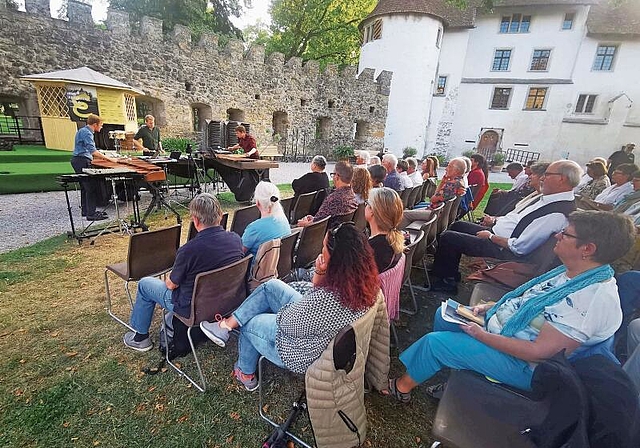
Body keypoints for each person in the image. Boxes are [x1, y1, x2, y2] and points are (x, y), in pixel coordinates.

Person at [387, 211, 635, 401]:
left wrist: (483, 336)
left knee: (435, 342)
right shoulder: (575, 273)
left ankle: (401, 388)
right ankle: (457, 375)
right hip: (509, 334)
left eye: (566, 234)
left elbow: (538, 353)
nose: (558, 236)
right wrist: (493, 308)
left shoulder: (590, 300)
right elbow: (533, 304)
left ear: (588, 249)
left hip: (527, 368)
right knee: (445, 315)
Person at [199, 222, 380, 390]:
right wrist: (319, 272)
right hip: (317, 330)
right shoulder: (364, 285)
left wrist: (274, 308)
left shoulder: (326, 301)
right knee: (271, 286)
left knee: (250, 320)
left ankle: (244, 372)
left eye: (324, 248)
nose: (321, 251)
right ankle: (226, 325)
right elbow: (314, 301)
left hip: (299, 350)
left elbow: (287, 323)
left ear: (337, 260)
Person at [429, 160, 580, 293]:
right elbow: (517, 219)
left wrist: (491, 236)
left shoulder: (556, 213)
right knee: (458, 226)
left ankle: (446, 283)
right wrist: (496, 221)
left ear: (561, 179)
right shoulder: (549, 200)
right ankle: (448, 272)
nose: (542, 178)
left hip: (505, 249)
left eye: (547, 174)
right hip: (499, 234)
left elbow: (520, 248)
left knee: (449, 238)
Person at [123, 193, 244, 352]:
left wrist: (168, 279)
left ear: (195, 220)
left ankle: (140, 339)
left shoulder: (188, 251)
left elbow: (171, 285)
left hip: (193, 309)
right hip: (228, 302)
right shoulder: (235, 239)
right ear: (220, 216)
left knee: (145, 284)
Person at [70, 114, 117, 221]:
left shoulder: (82, 130)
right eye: (101, 125)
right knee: (90, 188)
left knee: (85, 187)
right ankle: (91, 214)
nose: (101, 127)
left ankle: (86, 210)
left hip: (78, 160)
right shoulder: (87, 133)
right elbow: (93, 151)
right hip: (82, 160)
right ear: (95, 124)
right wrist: (110, 159)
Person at [399, 158, 467, 229]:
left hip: (436, 214)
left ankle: (401, 237)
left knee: (404, 214)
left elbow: (433, 199)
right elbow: (435, 197)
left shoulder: (452, 184)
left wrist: (443, 183)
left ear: (456, 170)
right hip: (436, 211)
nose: (446, 169)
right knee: (408, 212)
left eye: (449, 166)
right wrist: (443, 181)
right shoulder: (459, 181)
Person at [481, 162, 549, 223]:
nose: (530, 176)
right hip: (504, 222)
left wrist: (494, 225)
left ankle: (490, 217)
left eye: (533, 174)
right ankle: (488, 217)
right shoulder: (535, 194)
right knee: (497, 195)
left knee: (501, 197)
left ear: (542, 178)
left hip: (516, 198)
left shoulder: (539, 197)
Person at [297, 161, 358, 227]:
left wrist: (304, 224)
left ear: (337, 177)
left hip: (323, 233)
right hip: (340, 232)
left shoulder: (334, 198)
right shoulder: (353, 196)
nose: (333, 177)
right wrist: (314, 219)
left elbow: (317, 224)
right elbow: (321, 218)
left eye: (333, 174)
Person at [241, 181, 291, 259]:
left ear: (257, 202)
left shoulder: (254, 228)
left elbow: (239, 254)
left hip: (258, 269)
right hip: (279, 266)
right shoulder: (283, 220)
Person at [365, 187, 405, 273]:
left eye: (367, 203)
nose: (365, 206)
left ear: (372, 211)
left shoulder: (372, 250)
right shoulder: (393, 240)